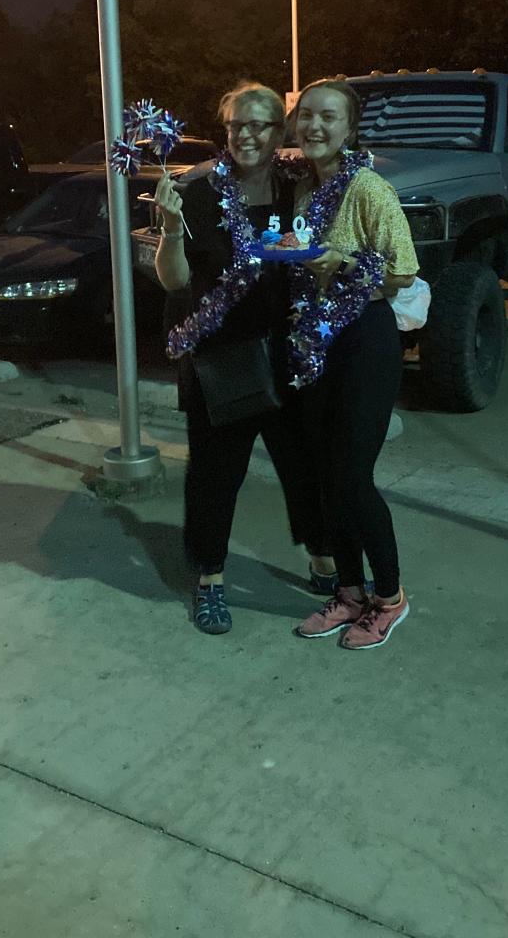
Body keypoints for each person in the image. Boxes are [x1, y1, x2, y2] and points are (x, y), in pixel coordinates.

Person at [154, 81, 335, 635]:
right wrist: (169, 230)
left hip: (287, 350)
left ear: (279, 131)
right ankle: (209, 577)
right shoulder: (200, 192)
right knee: (215, 475)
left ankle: (323, 558)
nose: (246, 135)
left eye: (258, 124)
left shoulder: (296, 186)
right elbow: (175, 281)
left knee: (305, 465)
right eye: (236, 125)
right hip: (223, 357)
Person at [289, 77, 419, 649]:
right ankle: (348, 593)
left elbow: (404, 270)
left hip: (364, 337)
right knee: (323, 474)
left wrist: (342, 273)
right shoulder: (301, 189)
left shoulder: (367, 188)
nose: (315, 125)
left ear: (348, 128)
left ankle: (389, 598)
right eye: (307, 115)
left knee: (352, 475)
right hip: (318, 339)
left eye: (329, 117)